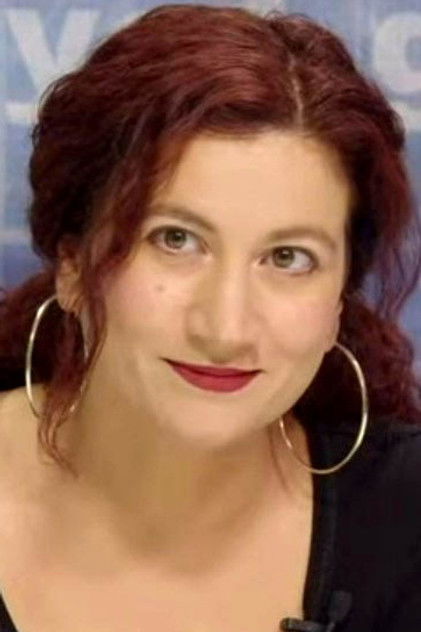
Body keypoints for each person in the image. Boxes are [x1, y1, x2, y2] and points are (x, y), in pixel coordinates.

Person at [0, 3, 420, 631]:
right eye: (175, 239)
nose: (225, 330)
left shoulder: (406, 522)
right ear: (72, 266)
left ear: (339, 302)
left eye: (288, 257)